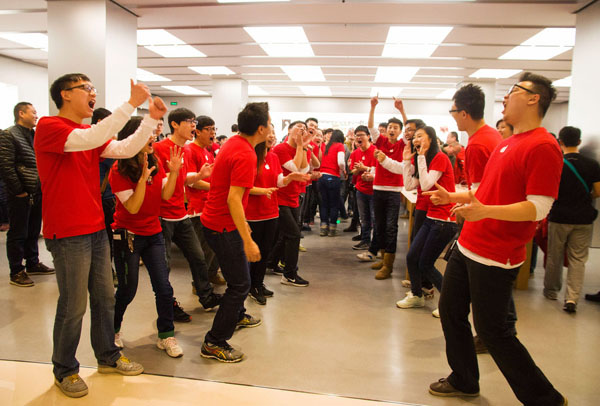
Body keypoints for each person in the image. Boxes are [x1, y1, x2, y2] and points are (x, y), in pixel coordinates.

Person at [425, 72, 567, 405]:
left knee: (494, 332)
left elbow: (540, 207)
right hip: (469, 244)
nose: (505, 98)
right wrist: (454, 199)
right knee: (451, 311)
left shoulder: (544, 145)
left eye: (514, 91)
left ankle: (544, 398)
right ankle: (464, 379)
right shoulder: (508, 141)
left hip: (495, 253)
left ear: (534, 98)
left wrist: (485, 211)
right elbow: (484, 191)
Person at [35, 73, 155, 397]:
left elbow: (124, 147)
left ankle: (108, 356)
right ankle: (65, 369)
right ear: (65, 94)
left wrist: (149, 121)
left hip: (94, 228)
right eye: (86, 89)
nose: (92, 94)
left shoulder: (89, 133)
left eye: (93, 89)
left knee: (105, 296)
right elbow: (92, 139)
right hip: (67, 232)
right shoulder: (49, 128)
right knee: (74, 304)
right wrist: (131, 104)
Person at [200, 102, 270, 362]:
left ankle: (236, 314)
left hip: (218, 222)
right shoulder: (245, 154)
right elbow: (233, 199)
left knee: (238, 281)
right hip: (222, 226)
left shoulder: (234, 143)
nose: (272, 128)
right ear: (261, 129)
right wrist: (248, 240)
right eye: (270, 124)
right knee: (241, 284)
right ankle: (214, 341)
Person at [109, 117, 184, 357]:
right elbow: (132, 206)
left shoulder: (155, 161)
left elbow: (167, 196)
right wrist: (142, 179)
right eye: (148, 134)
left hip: (153, 233)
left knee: (164, 288)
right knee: (128, 289)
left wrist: (173, 173)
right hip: (127, 235)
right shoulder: (118, 169)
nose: (153, 137)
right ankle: (113, 329)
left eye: (153, 133)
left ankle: (166, 335)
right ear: (132, 138)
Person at [450, 83, 505, 353]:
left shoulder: (477, 145)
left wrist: (461, 206)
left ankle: (490, 334)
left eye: (452, 110)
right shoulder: (492, 137)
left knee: (474, 296)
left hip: (484, 230)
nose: (452, 116)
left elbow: (481, 191)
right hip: (493, 227)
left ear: (463, 113)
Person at [153, 108, 222, 322]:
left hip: (179, 214)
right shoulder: (159, 148)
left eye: (194, 122)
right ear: (174, 124)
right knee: (164, 267)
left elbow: (183, 179)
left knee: (198, 257)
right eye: (190, 122)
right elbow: (163, 184)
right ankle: (169, 306)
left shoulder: (183, 149)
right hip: (162, 216)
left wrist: (198, 175)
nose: (194, 126)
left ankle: (206, 296)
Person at [390, 126, 457, 310]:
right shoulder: (425, 160)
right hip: (431, 217)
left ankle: (450, 304)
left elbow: (427, 185)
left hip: (444, 221)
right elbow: (410, 184)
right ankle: (417, 295)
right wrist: (405, 162)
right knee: (412, 257)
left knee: (426, 264)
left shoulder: (439, 158)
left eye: (420, 136)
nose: (416, 139)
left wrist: (419, 157)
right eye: (415, 137)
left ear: (431, 139)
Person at [246, 130, 310, 304]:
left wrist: (290, 178)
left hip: (271, 211)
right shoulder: (250, 157)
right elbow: (243, 186)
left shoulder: (273, 157)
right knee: (255, 252)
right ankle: (251, 286)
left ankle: (259, 283)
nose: (271, 136)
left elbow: (278, 182)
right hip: (253, 214)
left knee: (265, 251)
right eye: (268, 133)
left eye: (273, 133)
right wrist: (262, 191)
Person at [543, 126, 600, 313]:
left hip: (559, 216)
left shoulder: (555, 163)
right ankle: (572, 299)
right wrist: (585, 198)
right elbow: (598, 191)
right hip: (583, 218)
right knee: (578, 259)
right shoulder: (592, 164)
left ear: (560, 142)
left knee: (554, 255)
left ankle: (551, 291)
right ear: (579, 142)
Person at [0, 102, 54, 287]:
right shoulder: (9, 135)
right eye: (33, 112)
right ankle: (16, 270)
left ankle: (32, 262)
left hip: (36, 190)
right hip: (20, 193)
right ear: (21, 113)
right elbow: (6, 167)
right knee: (18, 232)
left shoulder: (35, 135)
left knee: (32, 230)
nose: (36, 115)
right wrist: (19, 191)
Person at [366, 96, 407, 279]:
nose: (392, 129)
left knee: (391, 227)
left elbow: (410, 129)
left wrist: (401, 110)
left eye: (395, 127)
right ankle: (383, 259)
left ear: (399, 131)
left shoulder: (402, 144)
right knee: (380, 226)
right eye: (390, 127)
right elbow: (370, 127)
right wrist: (373, 107)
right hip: (378, 189)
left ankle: (388, 266)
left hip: (394, 191)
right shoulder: (380, 141)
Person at [268, 121, 311, 287]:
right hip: (280, 197)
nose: (302, 130)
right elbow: (295, 169)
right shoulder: (280, 149)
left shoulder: (302, 149)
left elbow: (304, 170)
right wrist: (301, 146)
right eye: (298, 127)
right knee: (293, 235)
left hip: (294, 196)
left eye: (304, 128)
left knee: (287, 234)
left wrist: (303, 147)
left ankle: (271, 262)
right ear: (289, 130)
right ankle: (290, 274)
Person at [185, 115, 226, 286]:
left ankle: (210, 274)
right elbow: (191, 181)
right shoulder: (190, 151)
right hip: (198, 207)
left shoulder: (207, 151)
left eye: (214, 129)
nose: (212, 133)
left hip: (212, 205)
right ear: (198, 131)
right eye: (208, 129)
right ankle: (199, 282)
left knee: (217, 246)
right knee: (204, 249)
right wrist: (216, 188)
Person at [94, 108, 117, 285]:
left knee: (106, 236)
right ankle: (105, 271)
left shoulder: (105, 141)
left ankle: (106, 271)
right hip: (103, 196)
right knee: (105, 236)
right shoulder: (99, 142)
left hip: (106, 195)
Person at [349, 125, 377, 252]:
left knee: (374, 218)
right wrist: (357, 169)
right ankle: (365, 240)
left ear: (368, 136)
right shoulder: (355, 153)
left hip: (375, 190)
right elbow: (353, 172)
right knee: (364, 218)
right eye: (356, 135)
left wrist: (364, 168)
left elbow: (379, 169)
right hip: (360, 189)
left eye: (361, 135)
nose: (358, 138)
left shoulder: (376, 151)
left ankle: (376, 243)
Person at [318, 129, 347, 236]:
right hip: (333, 177)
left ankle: (323, 227)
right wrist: (343, 170)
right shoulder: (339, 146)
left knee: (324, 204)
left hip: (322, 176)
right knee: (334, 204)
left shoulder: (324, 146)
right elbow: (340, 162)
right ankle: (332, 228)